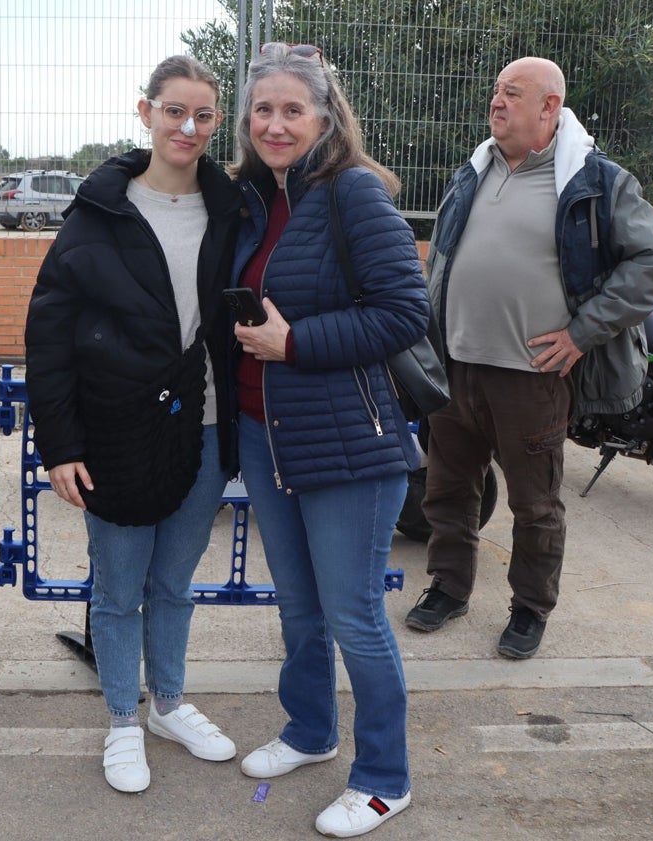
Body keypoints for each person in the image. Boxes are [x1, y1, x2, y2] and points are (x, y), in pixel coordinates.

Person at [404, 57, 653, 659]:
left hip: (532, 377)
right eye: (496, 92)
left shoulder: (592, 179)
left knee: (535, 504)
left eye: (512, 93)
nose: (496, 103)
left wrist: (583, 332)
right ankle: (449, 588)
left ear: (549, 107)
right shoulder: (471, 171)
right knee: (447, 490)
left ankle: (530, 609)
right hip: (456, 365)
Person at [25, 55, 241, 794]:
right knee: (119, 588)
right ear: (144, 111)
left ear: (216, 123)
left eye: (203, 115)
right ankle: (123, 716)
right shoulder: (100, 212)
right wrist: (60, 444)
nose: (188, 126)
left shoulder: (232, 206)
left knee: (175, 582)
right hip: (117, 429)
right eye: (174, 110)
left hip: (207, 424)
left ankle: (168, 704)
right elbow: (48, 335)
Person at [229, 43, 428, 837]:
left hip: (348, 441)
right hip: (264, 435)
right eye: (262, 111)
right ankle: (311, 729)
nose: (275, 124)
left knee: (353, 615)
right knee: (300, 609)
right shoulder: (256, 196)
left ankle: (385, 777)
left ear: (323, 117)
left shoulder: (352, 193)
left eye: (291, 110)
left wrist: (296, 343)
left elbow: (404, 311)